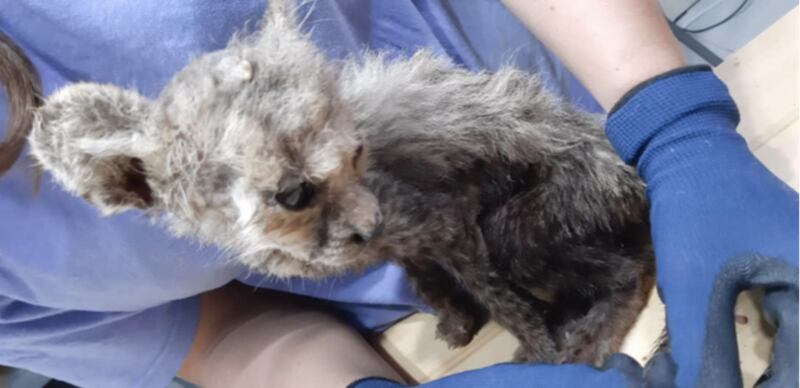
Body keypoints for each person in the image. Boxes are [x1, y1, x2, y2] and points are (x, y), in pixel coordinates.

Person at [0, 1, 795, 387]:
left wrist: (674, 123)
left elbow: (426, 220)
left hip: (599, 104)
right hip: (411, 335)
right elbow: (211, 333)